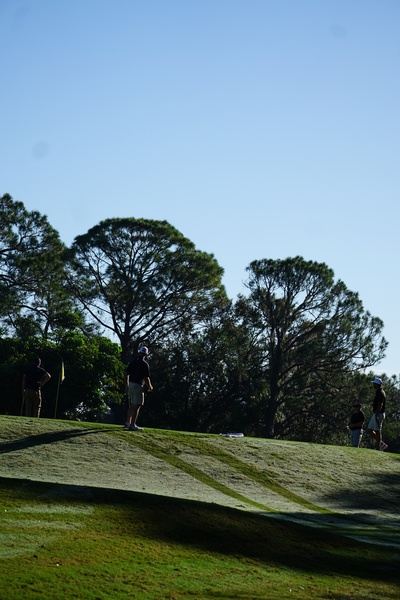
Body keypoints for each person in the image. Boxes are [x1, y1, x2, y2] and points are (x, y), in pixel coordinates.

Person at [124, 346, 153, 431]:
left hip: (131, 384)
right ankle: (132, 424)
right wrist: (150, 387)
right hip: (138, 385)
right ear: (146, 354)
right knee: (137, 405)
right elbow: (146, 378)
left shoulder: (132, 362)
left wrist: (127, 385)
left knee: (132, 404)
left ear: (139, 352)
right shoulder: (145, 364)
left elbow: (126, 374)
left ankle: (127, 422)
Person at [367, 377, 388, 451]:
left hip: (378, 414)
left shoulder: (381, 393)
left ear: (377, 384)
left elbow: (380, 404)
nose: (373, 385)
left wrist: (376, 415)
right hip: (376, 413)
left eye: (374, 383)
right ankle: (381, 444)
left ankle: (378, 447)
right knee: (370, 430)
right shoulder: (378, 392)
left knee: (377, 431)